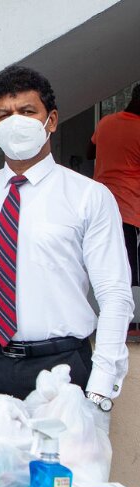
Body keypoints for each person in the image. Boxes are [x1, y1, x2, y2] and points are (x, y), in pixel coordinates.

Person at [0, 65, 133, 417]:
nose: (16, 122)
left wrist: (100, 389)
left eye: (27, 111)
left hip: (64, 370)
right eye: (4, 115)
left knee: (59, 473)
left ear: (51, 120)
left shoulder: (89, 196)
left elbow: (115, 295)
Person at [89, 85, 140, 330]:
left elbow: (91, 151)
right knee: (129, 267)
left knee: (111, 265)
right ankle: (128, 322)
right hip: (130, 207)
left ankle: (117, 320)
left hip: (102, 204)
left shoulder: (107, 122)